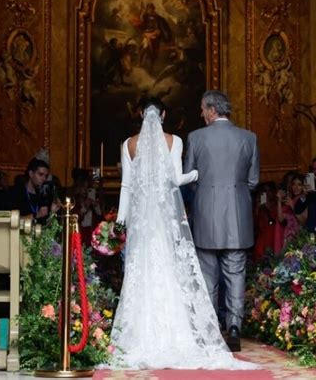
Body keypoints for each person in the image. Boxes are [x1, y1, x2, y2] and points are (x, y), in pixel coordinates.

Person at [106, 97, 255, 370]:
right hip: (164, 221)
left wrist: (120, 222)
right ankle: (178, 331)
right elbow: (176, 179)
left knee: (140, 274)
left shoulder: (128, 144)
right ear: (163, 115)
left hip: (142, 222)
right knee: (169, 273)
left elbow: (126, 187)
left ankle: (139, 333)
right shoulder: (175, 141)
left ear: (140, 114)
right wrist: (196, 174)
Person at [184, 90, 260, 352]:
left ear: (212, 110)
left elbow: (189, 178)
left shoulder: (195, 137)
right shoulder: (249, 138)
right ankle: (235, 326)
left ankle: (210, 327)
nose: (201, 114)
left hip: (206, 212)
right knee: (235, 272)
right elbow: (253, 181)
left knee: (207, 273)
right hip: (237, 215)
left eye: (203, 109)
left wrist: (206, 196)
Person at [9, 158, 60, 223]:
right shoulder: (16, 192)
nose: (44, 178)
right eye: (40, 174)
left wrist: (52, 213)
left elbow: (47, 226)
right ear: (31, 174)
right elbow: (12, 220)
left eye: (46, 176)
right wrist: (37, 215)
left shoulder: (45, 195)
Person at [275, 173, 305, 254]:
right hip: (288, 237)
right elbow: (281, 220)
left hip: (300, 236)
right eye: (293, 184)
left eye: (299, 185)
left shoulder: (304, 199)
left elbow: (303, 221)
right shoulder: (291, 199)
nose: (296, 188)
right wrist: (279, 201)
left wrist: (293, 206)